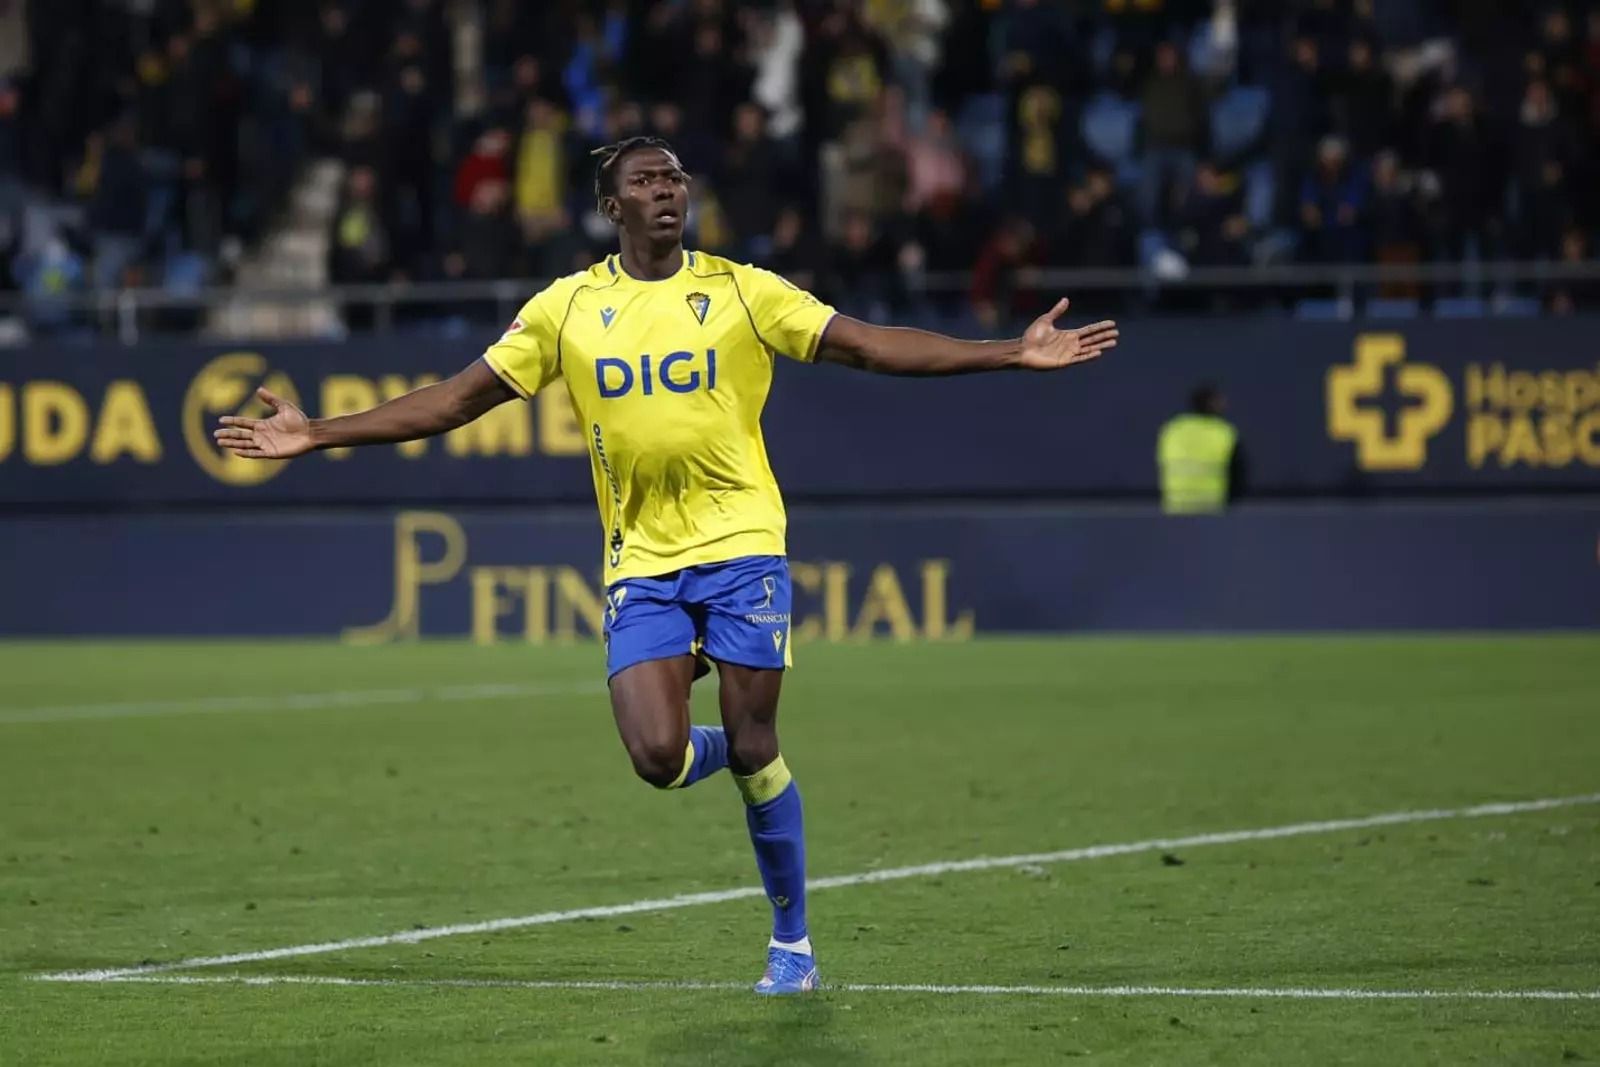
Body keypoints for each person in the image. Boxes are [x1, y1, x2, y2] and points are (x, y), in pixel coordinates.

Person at [213, 136, 1118, 995]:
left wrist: (1007, 350)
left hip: (741, 545)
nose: (667, 190)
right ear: (613, 206)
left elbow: (868, 344)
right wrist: (319, 432)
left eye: (677, 178)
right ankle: (731, 738)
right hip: (640, 560)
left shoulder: (742, 291)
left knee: (759, 746)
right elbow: (456, 400)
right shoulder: (564, 308)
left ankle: (792, 942)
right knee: (656, 754)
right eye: (647, 181)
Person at [1157, 384, 1242, 515]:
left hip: (1175, 510)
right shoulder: (1224, 433)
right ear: (1212, 403)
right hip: (1212, 510)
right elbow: (1238, 475)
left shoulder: (1172, 429)